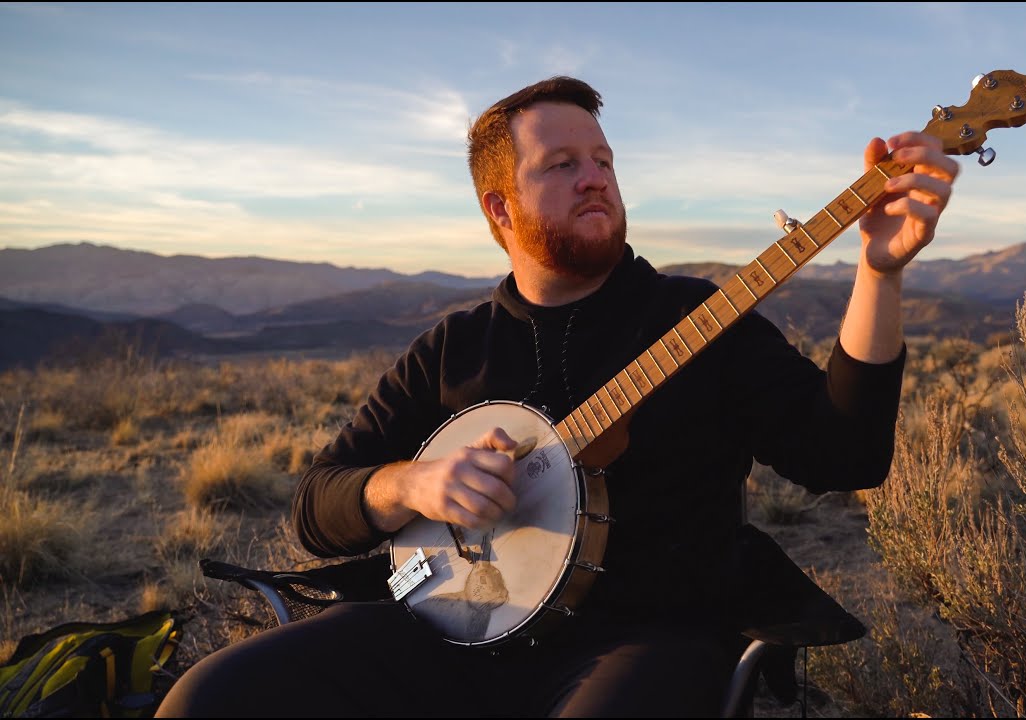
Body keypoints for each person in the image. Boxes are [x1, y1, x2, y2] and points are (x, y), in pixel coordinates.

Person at [157, 75, 959, 718]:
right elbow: (315, 508)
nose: (595, 177)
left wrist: (878, 274)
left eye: (603, 160)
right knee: (212, 697)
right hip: (444, 628)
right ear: (500, 207)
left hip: (647, 642)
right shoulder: (454, 347)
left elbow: (846, 454)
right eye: (562, 164)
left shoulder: (696, 319)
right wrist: (410, 485)